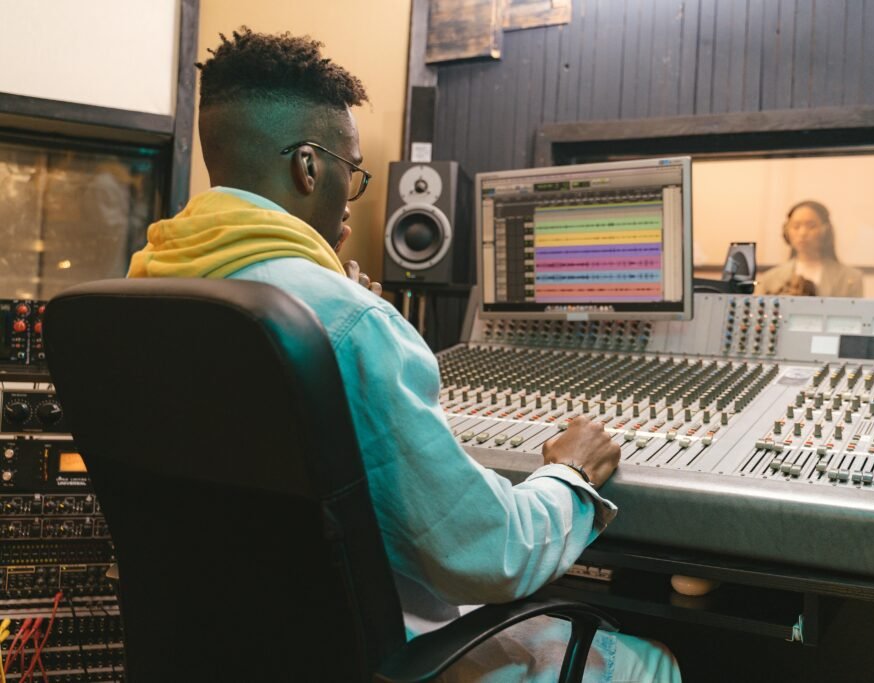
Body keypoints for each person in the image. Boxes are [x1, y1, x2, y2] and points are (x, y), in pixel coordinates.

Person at [127, 28, 681, 682]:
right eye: (353, 172)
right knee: (652, 663)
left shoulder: (147, 292)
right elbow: (490, 554)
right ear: (308, 167)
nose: (351, 194)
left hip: (223, 650)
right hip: (374, 659)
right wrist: (572, 475)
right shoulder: (345, 321)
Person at [755, 200, 864, 297]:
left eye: (811, 226)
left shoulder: (851, 278)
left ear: (825, 230)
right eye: (796, 226)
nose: (802, 233)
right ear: (786, 231)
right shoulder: (770, 279)